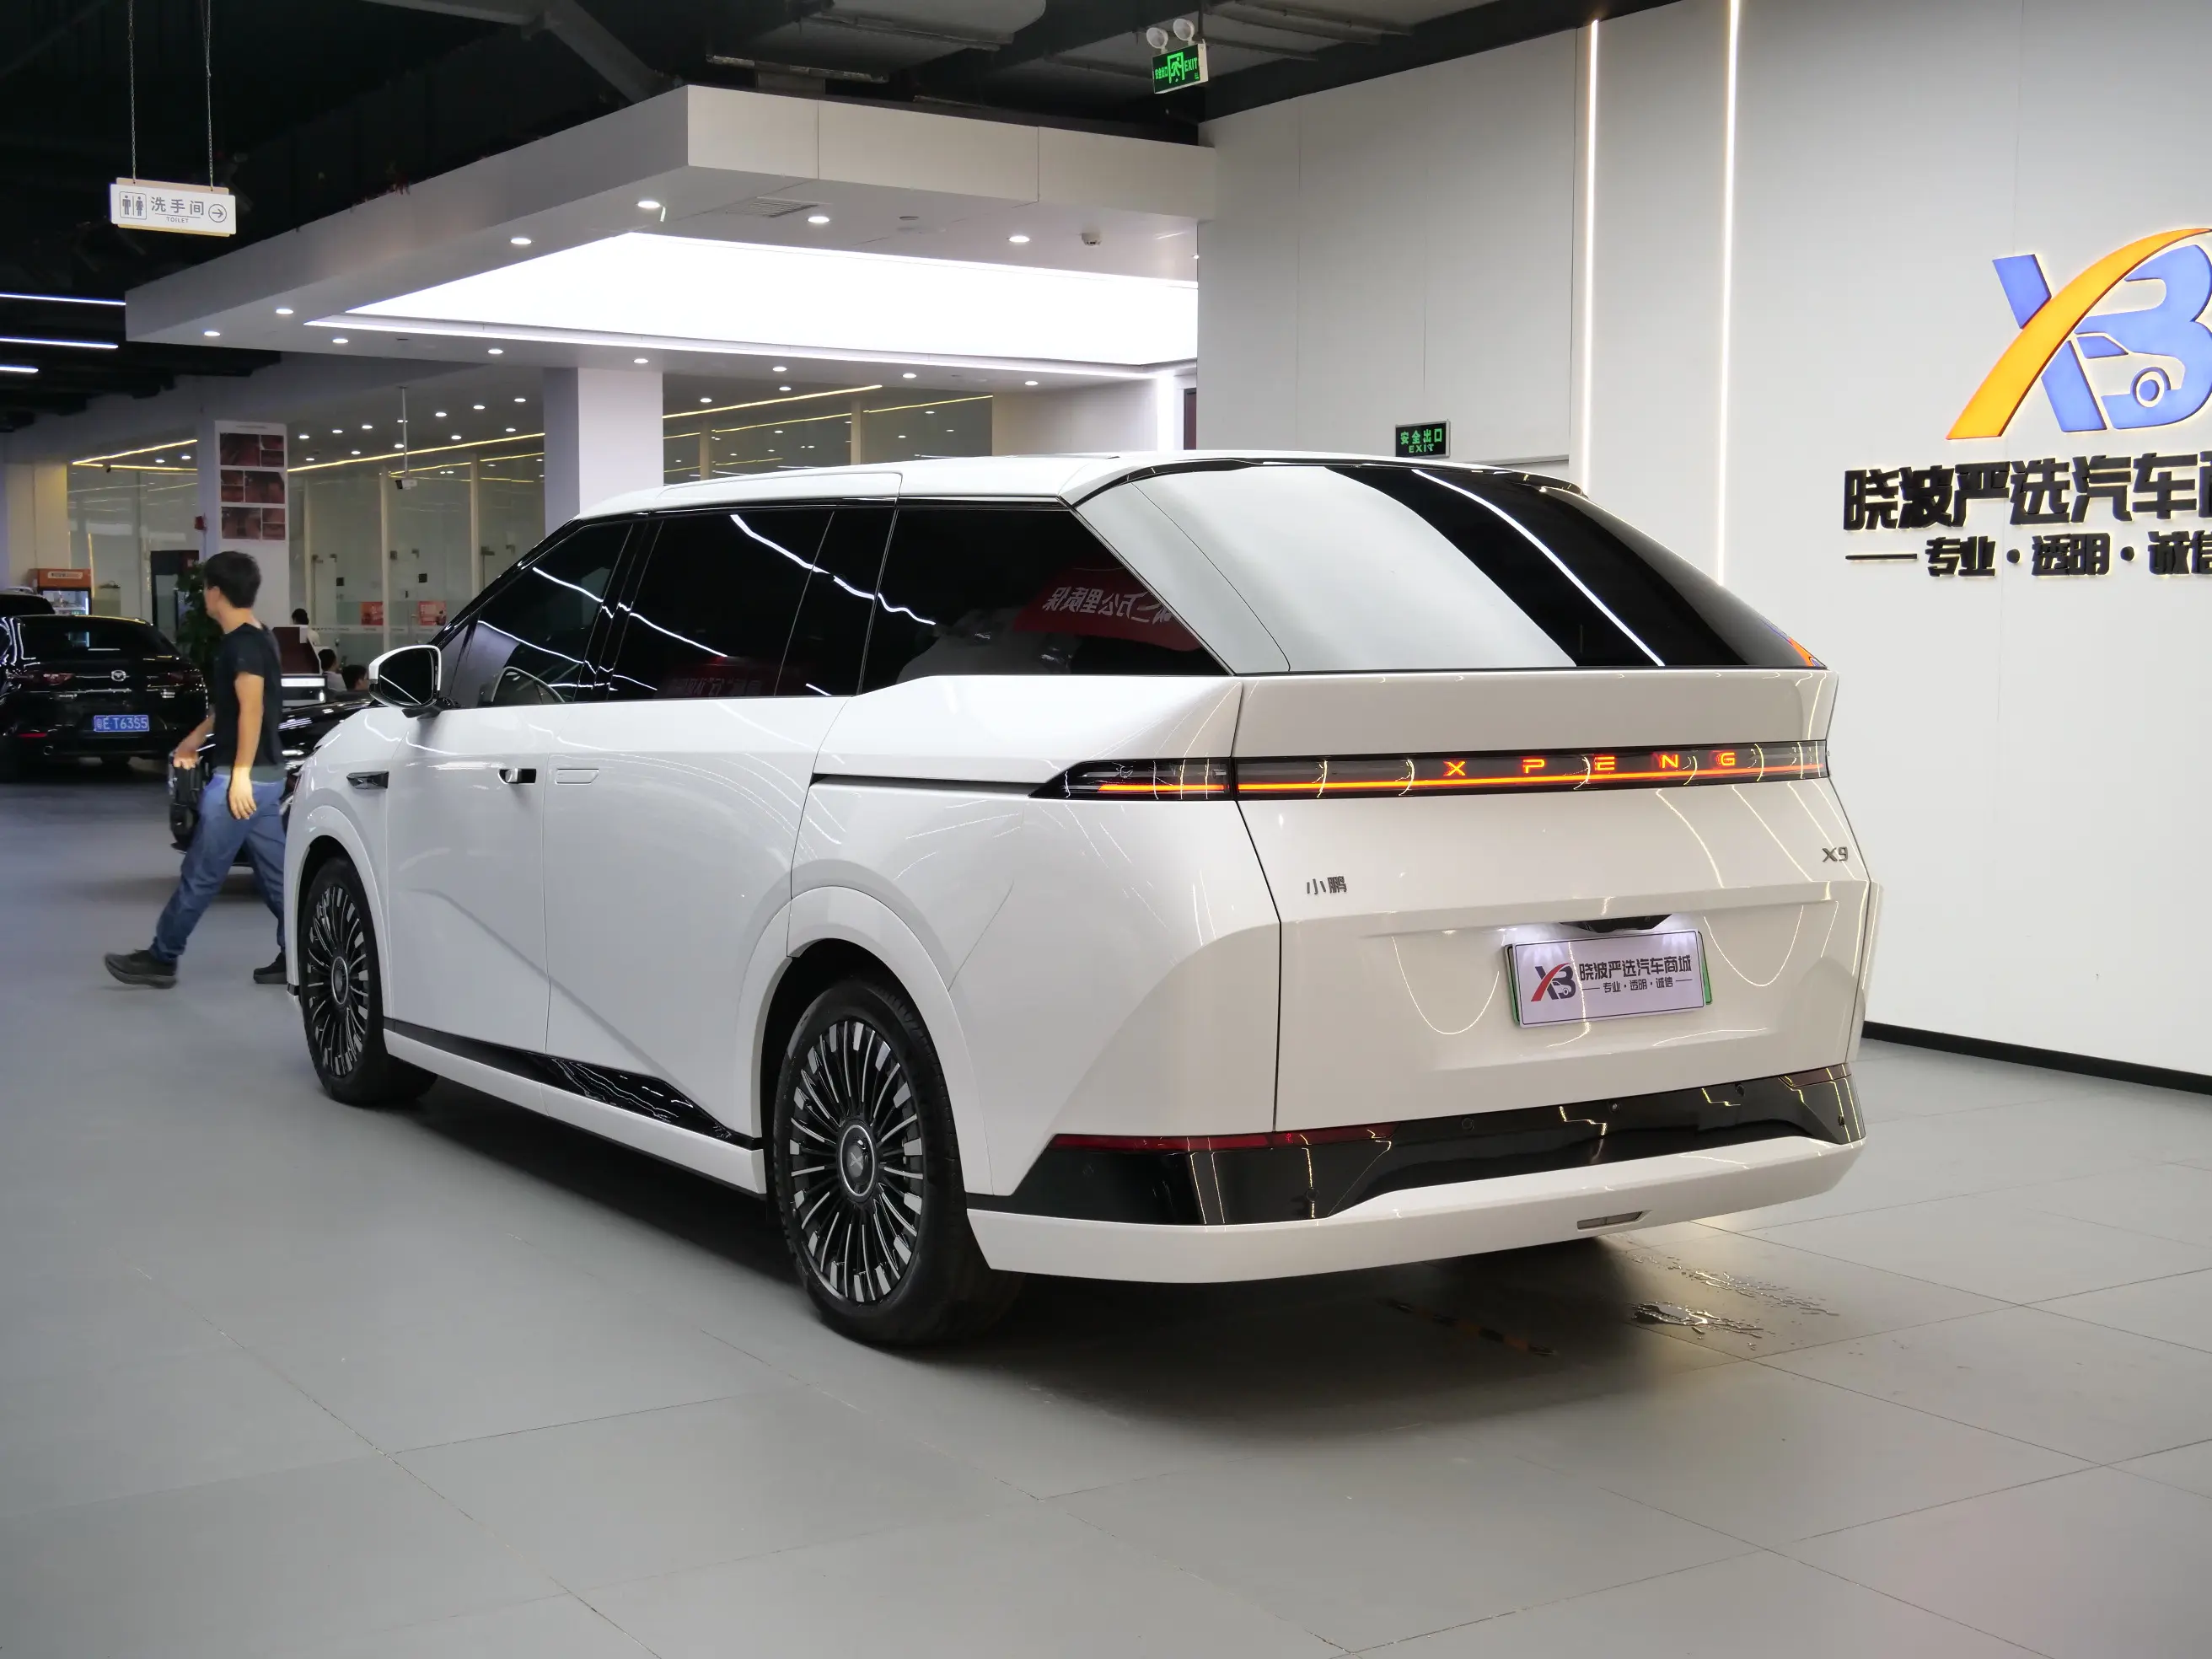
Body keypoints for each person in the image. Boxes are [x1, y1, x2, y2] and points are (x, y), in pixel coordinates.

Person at [105, 551, 288, 989]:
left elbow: (252, 711)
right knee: (279, 876)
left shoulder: (242, 645)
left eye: (206, 588)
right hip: (265, 776)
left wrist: (239, 775)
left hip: (244, 780)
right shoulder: (259, 636)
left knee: (201, 873)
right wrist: (193, 738)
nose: (203, 595)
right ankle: (299, 955)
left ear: (216, 592)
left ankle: (161, 958)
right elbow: (231, 708)